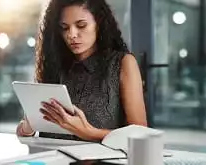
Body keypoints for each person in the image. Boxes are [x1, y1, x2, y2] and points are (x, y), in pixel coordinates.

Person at [16, 0, 147, 142]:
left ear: (99, 23)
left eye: (81, 25)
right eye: (64, 28)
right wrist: (28, 127)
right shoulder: (54, 64)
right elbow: (24, 128)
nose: (71, 34)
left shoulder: (122, 63)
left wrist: (88, 132)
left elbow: (140, 135)